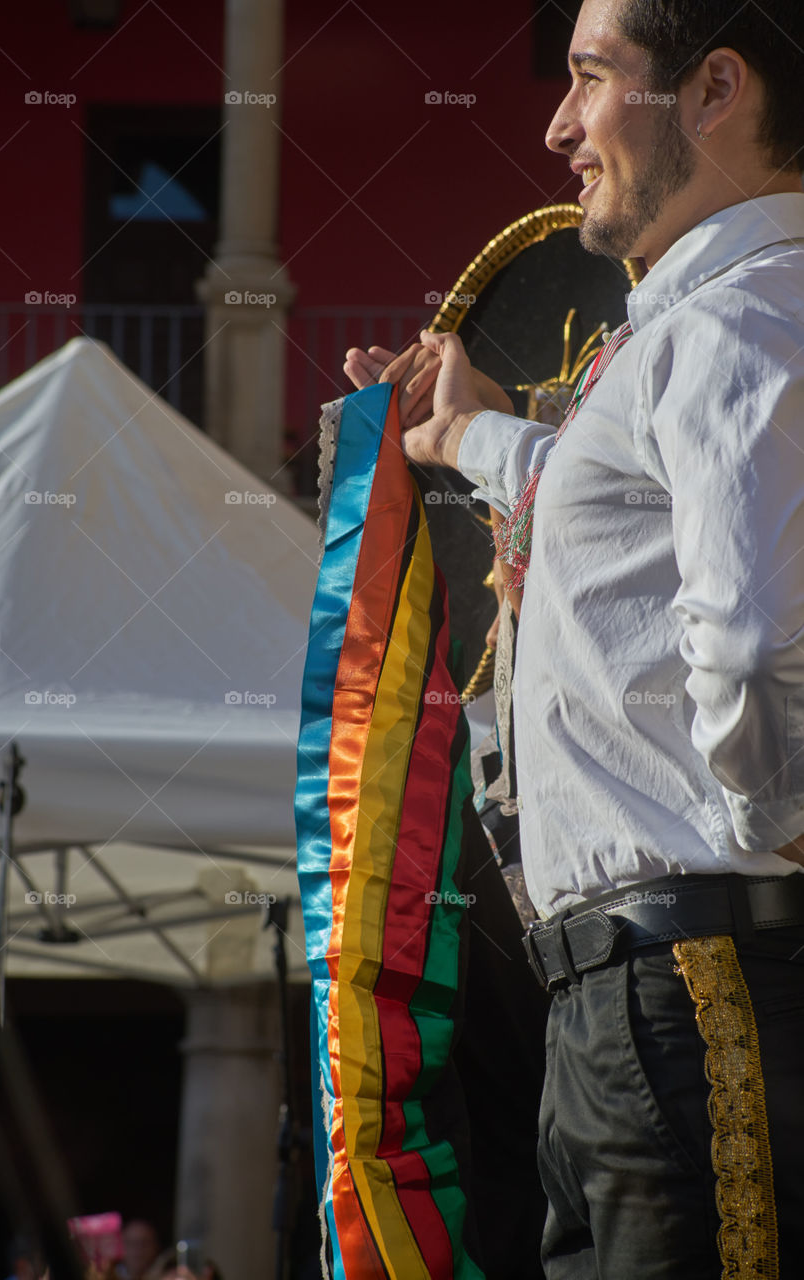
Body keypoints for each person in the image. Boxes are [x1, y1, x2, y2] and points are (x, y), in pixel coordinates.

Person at [344, 0, 804, 1274]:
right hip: (633, 995)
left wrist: (781, 829)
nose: (558, 125)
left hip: (696, 974)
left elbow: (760, 645)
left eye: (591, 79)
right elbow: (621, 513)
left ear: (713, 91)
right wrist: (470, 436)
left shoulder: (744, 317)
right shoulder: (708, 324)